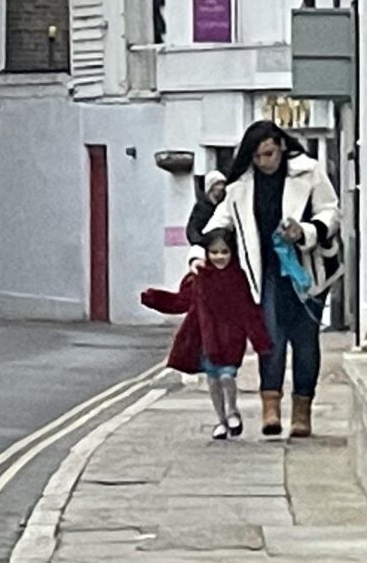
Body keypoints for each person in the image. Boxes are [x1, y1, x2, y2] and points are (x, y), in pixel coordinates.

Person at [209, 118, 341, 440]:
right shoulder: (240, 185)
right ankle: (270, 408)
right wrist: (203, 253)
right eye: (256, 157)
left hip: (307, 270)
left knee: (305, 339)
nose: (264, 162)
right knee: (270, 339)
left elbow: (331, 212)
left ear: (280, 146)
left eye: (268, 154)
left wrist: (304, 231)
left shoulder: (308, 171)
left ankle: (301, 413)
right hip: (266, 271)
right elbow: (220, 221)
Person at [142, 229, 272, 441]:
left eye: (224, 251)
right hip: (206, 339)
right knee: (213, 381)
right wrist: (153, 298)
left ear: (233, 252)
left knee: (227, 376)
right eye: (214, 252)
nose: (220, 257)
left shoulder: (238, 277)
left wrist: (261, 341)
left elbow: (249, 311)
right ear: (206, 253)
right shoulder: (198, 278)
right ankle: (221, 421)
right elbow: (181, 301)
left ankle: (232, 411)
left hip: (232, 339)